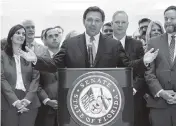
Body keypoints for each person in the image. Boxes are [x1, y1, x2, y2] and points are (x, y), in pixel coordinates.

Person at [20, 6, 158, 72]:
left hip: (106, 96)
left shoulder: (113, 45)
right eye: (90, 20)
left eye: (97, 20)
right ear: (84, 21)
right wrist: (35, 60)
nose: (93, 23)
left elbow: (127, 66)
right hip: (77, 95)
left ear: (102, 23)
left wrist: (143, 62)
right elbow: (54, 64)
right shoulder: (69, 44)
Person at [111, 10, 150, 126]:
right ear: (112, 24)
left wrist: (133, 88)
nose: (120, 25)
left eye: (123, 22)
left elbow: (142, 69)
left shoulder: (136, 44)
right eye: (117, 22)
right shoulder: (103, 43)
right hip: (109, 94)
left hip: (133, 95)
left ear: (127, 24)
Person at [1, 24, 40, 126]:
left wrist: (27, 99)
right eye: (18, 33)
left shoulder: (29, 55)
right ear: (11, 37)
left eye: (23, 34)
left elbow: (36, 78)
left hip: (29, 100)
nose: (21, 35)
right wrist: (15, 101)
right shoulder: (2, 55)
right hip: (8, 100)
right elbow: (1, 79)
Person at [145, 6, 176, 126]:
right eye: (166, 18)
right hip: (159, 105)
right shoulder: (154, 42)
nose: (168, 21)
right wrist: (161, 92)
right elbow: (149, 72)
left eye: (172, 18)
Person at [35, 28, 61, 126]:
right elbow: (36, 83)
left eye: (56, 35)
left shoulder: (69, 57)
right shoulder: (38, 59)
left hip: (67, 107)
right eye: (50, 36)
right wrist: (47, 100)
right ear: (45, 41)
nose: (54, 38)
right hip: (46, 108)